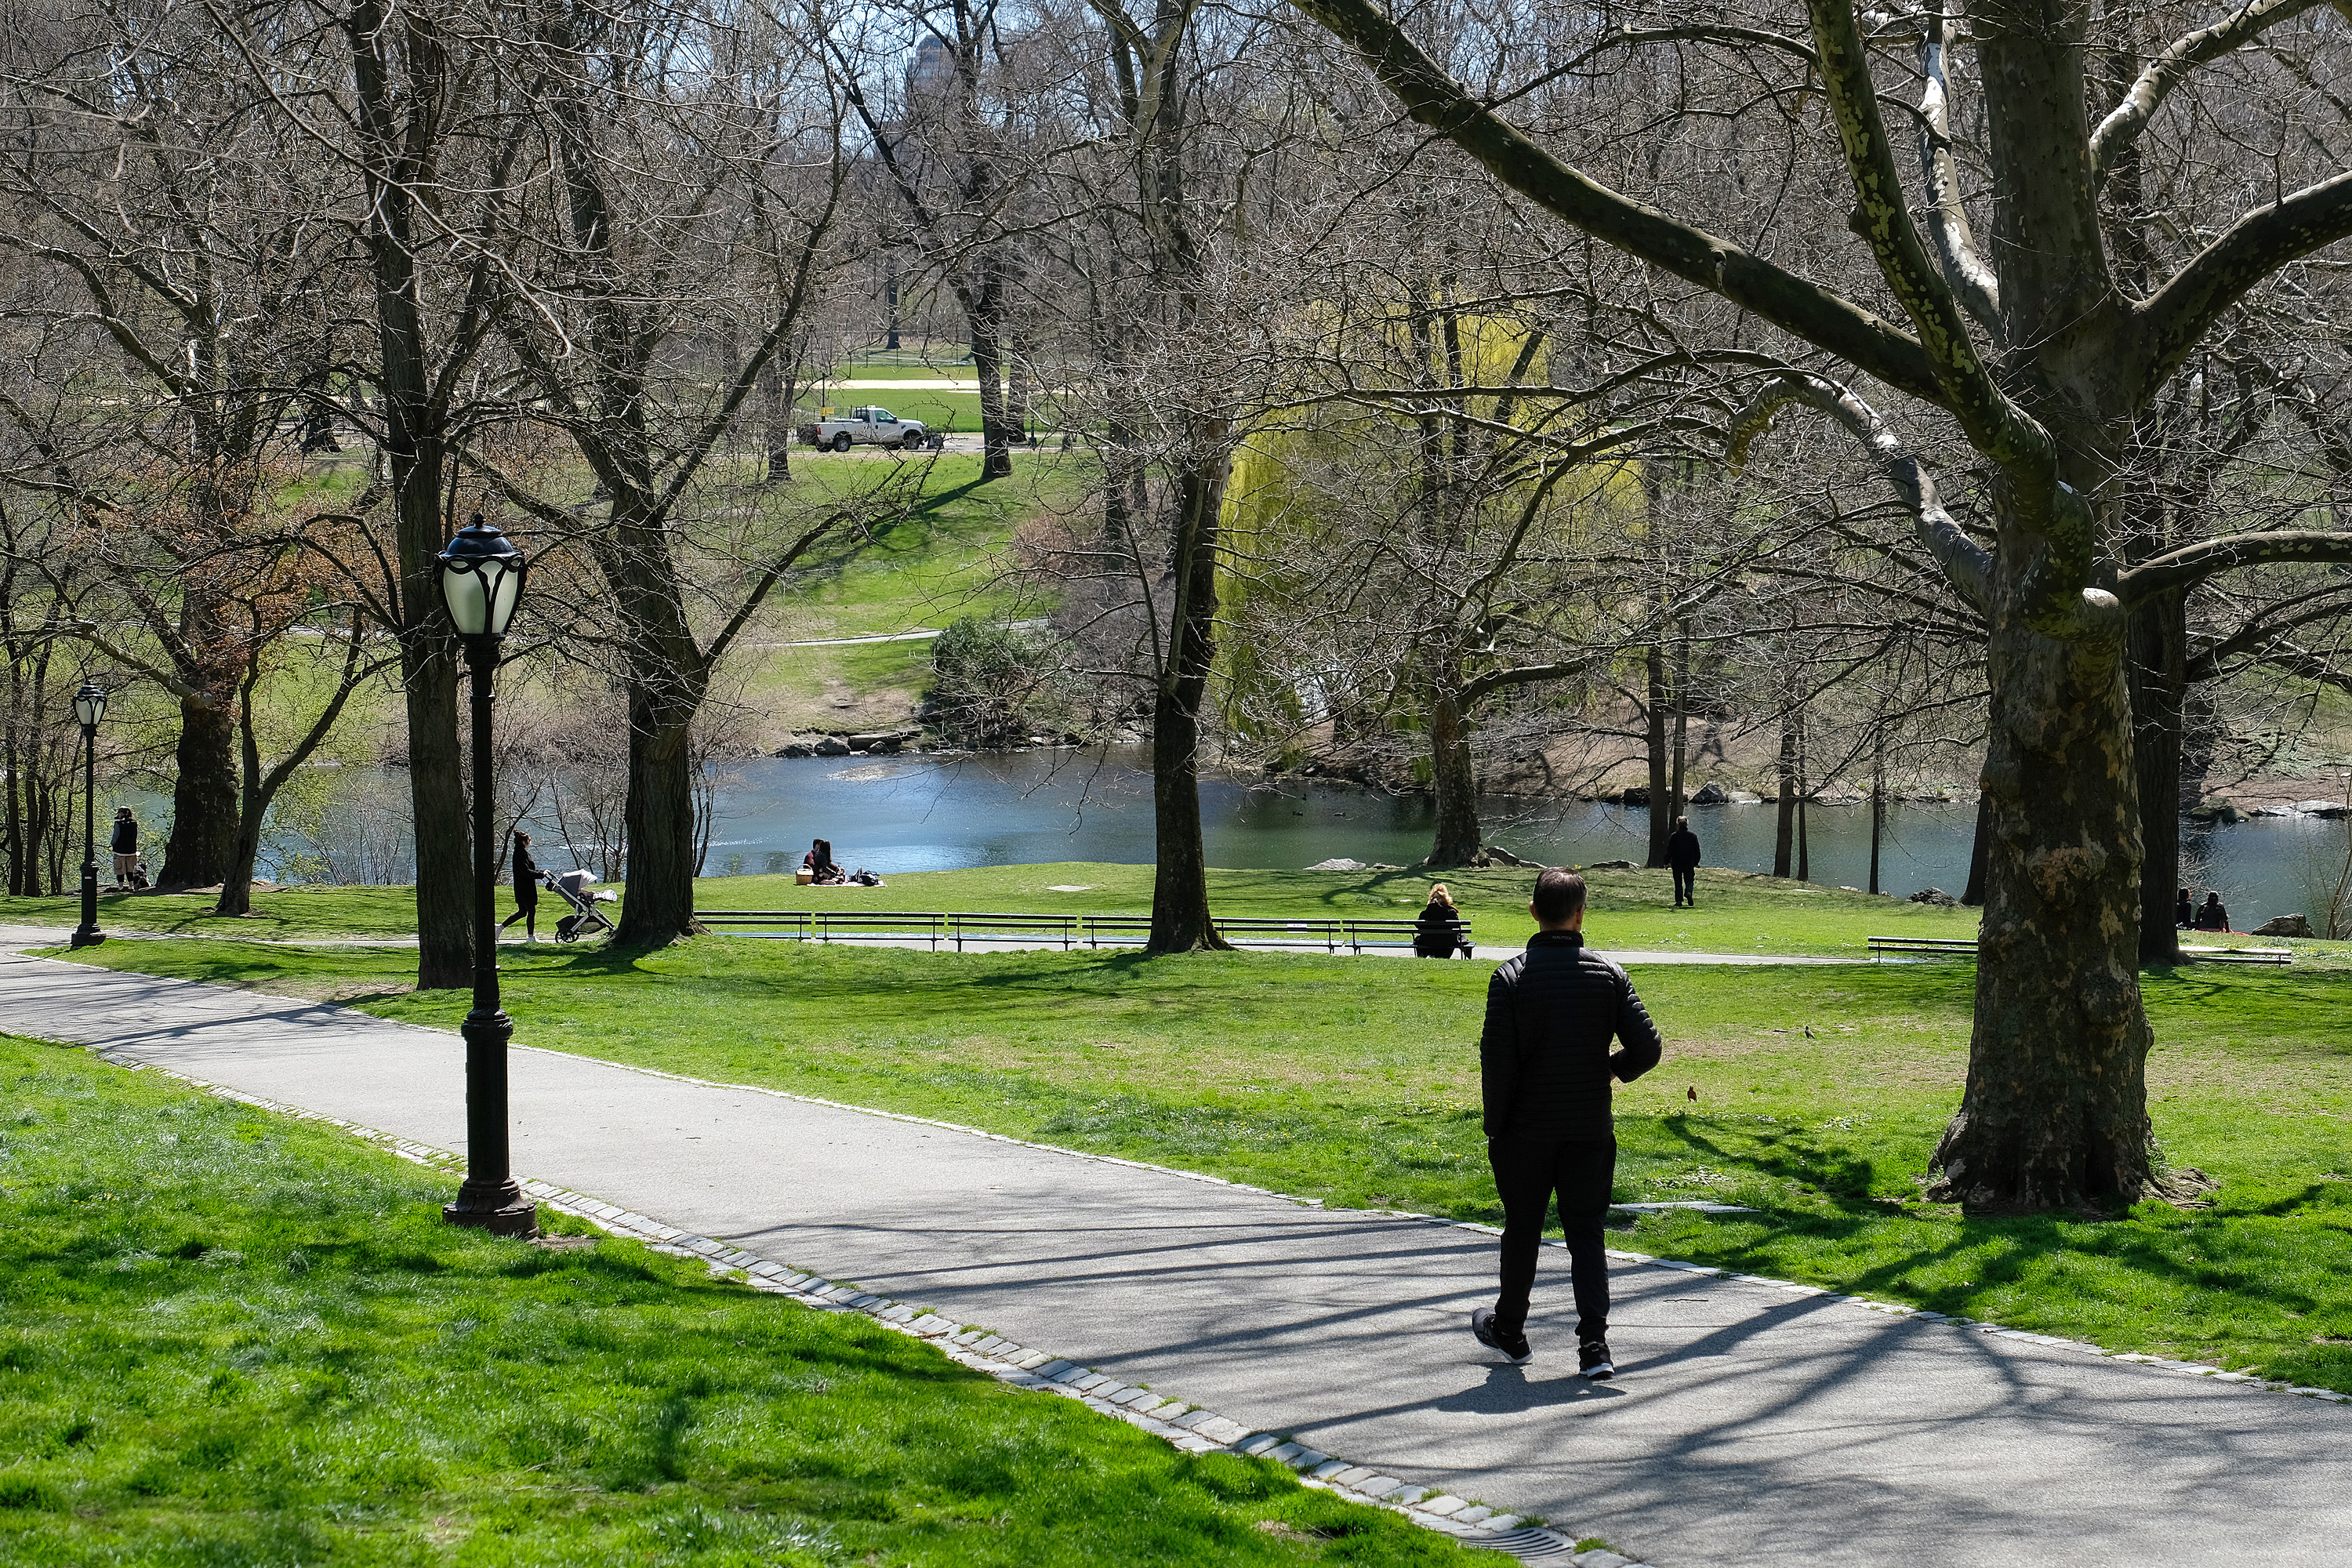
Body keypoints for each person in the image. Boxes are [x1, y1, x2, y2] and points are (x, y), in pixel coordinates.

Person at [1472, 867, 1662, 1379]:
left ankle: (1510, 1329)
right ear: (1581, 914)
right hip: (1588, 1128)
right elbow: (1648, 1048)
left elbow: (1498, 1063)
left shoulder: (1510, 978)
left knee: (1523, 1231)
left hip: (1525, 1131)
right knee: (1586, 1233)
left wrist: (1497, 1127)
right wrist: (1609, 1070)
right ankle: (1594, 1347)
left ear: (1533, 911)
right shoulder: (1607, 974)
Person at [499, 830, 540, 942]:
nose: (529, 842)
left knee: (522, 912)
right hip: (525, 888)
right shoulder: (520, 854)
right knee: (531, 911)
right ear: (524, 841)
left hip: (522, 887)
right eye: (528, 840)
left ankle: (500, 928)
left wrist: (540, 873)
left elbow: (529, 869)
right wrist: (540, 875)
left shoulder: (520, 852)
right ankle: (531, 937)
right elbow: (526, 871)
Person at [1414, 883, 1473, 958]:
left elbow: (1418, 925)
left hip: (1428, 944)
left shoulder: (1425, 914)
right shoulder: (1451, 912)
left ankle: (1422, 956)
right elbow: (1457, 926)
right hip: (1447, 944)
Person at [1665, 815, 1702, 907]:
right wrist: (1696, 862)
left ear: (1678, 824)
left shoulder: (1674, 836)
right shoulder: (1693, 836)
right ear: (1687, 824)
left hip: (1677, 862)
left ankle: (1678, 901)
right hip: (1689, 862)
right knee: (1689, 880)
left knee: (1678, 882)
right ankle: (1688, 892)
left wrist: (1667, 862)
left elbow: (1669, 850)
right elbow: (1697, 850)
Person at [109, 808, 140, 889]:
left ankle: (121, 887)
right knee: (130, 870)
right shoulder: (134, 823)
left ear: (121, 814)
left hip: (119, 851)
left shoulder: (118, 824)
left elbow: (116, 836)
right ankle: (131, 886)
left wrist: (112, 844)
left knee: (120, 870)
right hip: (131, 850)